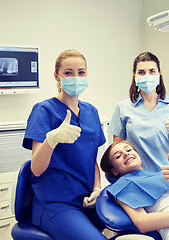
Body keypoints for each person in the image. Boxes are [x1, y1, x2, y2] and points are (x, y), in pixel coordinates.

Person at [22, 49, 107, 240]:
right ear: (57, 76)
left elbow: (91, 158)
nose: (76, 77)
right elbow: (36, 168)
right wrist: (52, 140)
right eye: (68, 73)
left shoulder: (91, 111)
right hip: (56, 204)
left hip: (87, 201)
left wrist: (97, 189)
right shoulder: (44, 110)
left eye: (81, 72)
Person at [108, 51, 169, 173]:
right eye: (141, 72)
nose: (147, 76)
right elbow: (118, 151)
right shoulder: (123, 107)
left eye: (152, 71)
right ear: (135, 75)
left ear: (159, 74)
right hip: (138, 178)